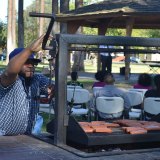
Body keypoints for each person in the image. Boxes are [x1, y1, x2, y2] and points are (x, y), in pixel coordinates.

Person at [0, 34, 54, 136]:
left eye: (33, 63)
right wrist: (29, 49)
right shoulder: (9, 79)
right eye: (26, 62)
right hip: (3, 139)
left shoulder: (37, 79)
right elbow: (10, 72)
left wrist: (53, 89)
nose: (31, 65)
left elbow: (50, 88)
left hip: (26, 139)